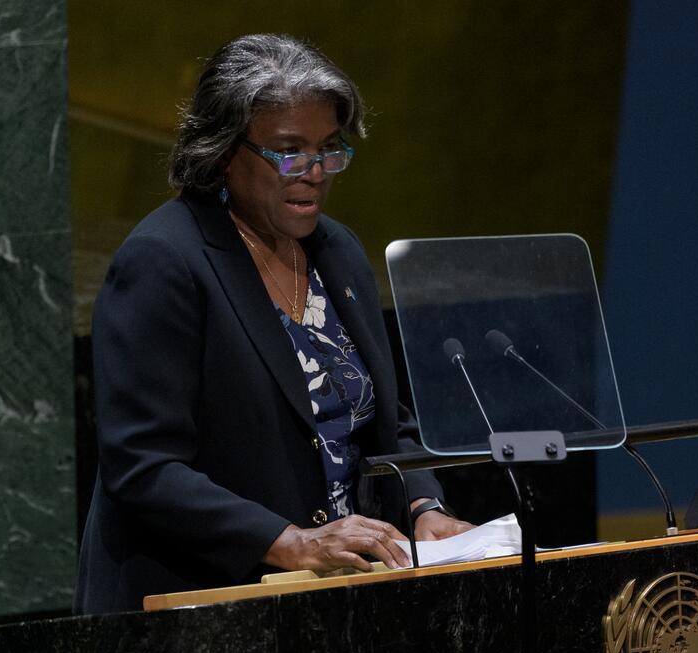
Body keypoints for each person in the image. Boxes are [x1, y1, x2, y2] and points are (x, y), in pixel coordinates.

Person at [75, 33, 472, 614]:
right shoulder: (164, 262)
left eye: (329, 150)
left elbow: (386, 419)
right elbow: (143, 467)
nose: (315, 173)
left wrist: (423, 507)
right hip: (198, 606)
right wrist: (291, 542)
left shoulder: (337, 251)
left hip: (336, 595)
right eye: (289, 152)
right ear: (224, 152)